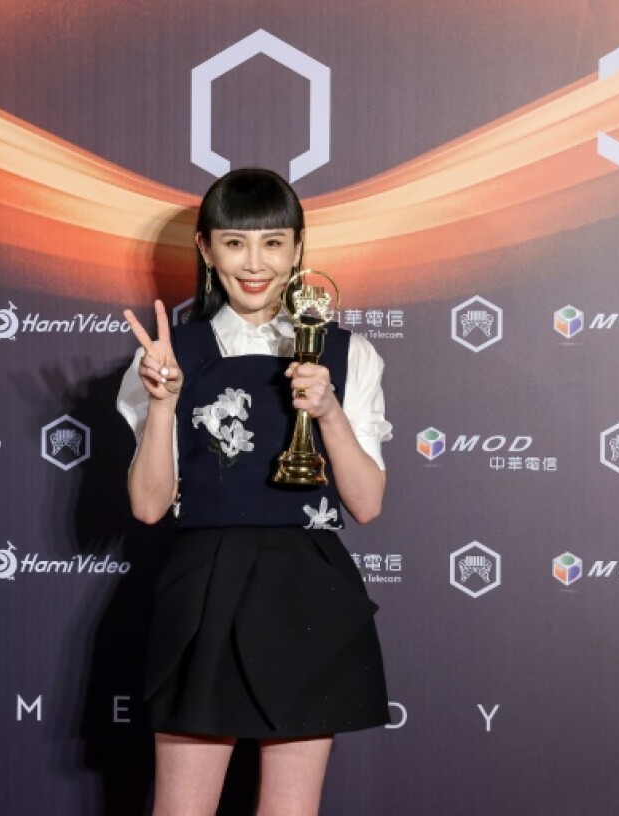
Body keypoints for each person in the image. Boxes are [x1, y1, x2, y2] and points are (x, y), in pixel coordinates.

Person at [118, 168, 392, 816]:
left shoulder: (348, 355)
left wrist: (328, 414)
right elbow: (149, 506)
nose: (255, 263)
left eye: (273, 243)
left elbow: (368, 502)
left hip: (308, 589)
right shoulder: (166, 355)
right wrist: (163, 404)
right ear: (206, 248)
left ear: (298, 249)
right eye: (236, 243)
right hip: (203, 589)